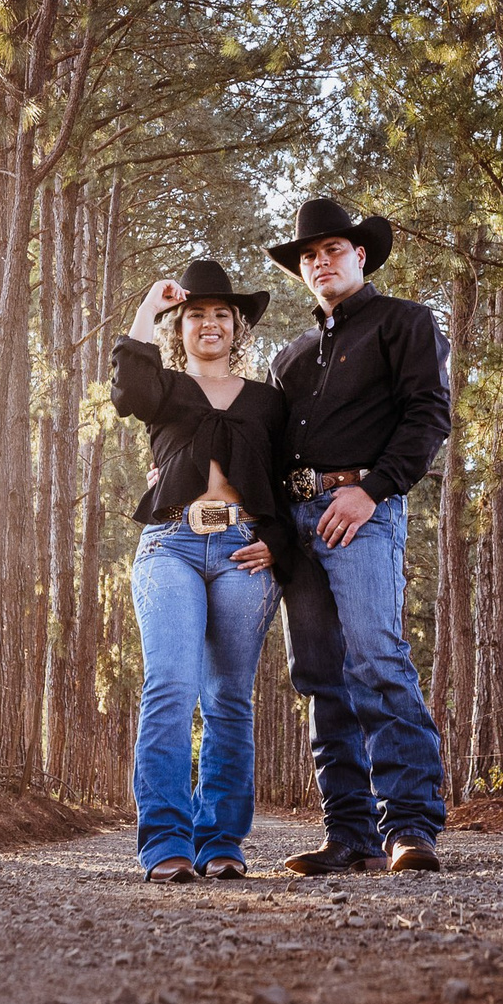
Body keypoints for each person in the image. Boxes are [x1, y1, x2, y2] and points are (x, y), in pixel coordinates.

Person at [264, 197, 453, 875]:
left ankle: (409, 825)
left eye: (333, 249)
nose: (320, 261)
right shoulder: (290, 356)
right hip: (295, 519)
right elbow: (266, 449)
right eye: (309, 255)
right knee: (319, 673)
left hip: (364, 513)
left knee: (376, 656)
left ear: (359, 255)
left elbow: (430, 415)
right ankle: (348, 834)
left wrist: (371, 490)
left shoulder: (405, 322)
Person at [111, 258, 292, 884]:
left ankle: (221, 841)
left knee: (228, 700)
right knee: (171, 686)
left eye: (221, 315)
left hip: (243, 551)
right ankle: (165, 841)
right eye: (196, 316)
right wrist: (148, 308)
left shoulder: (271, 403)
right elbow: (127, 389)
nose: (209, 324)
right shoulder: (165, 389)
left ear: (238, 328)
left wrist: (279, 543)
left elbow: (286, 482)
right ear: (180, 327)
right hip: (173, 547)